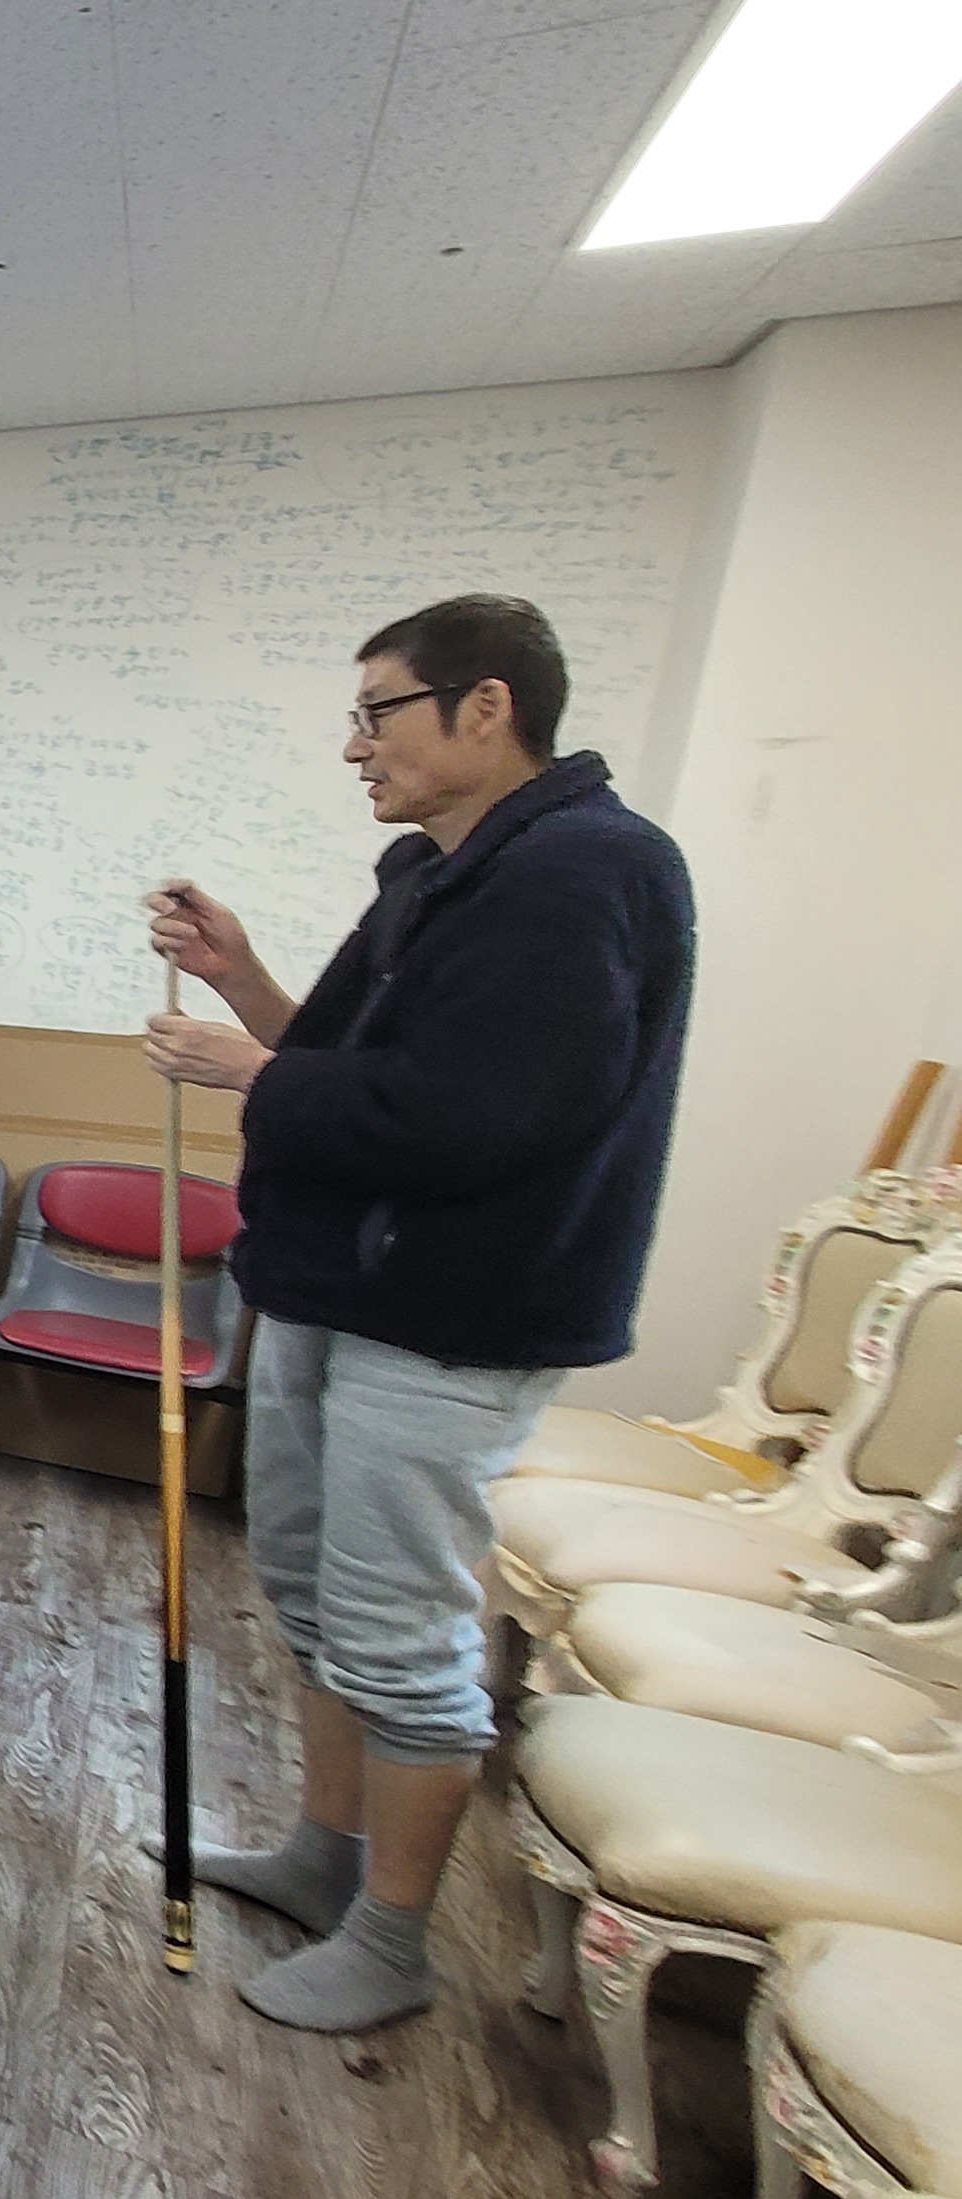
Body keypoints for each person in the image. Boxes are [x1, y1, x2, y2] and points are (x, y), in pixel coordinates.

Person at [144, 591, 692, 2033]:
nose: (355, 746)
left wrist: (249, 1074)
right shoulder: (436, 871)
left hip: (450, 1314)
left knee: (400, 1631)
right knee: (315, 1593)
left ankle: (392, 1944)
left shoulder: (587, 872)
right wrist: (242, 983)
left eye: (377, 712)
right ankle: (325, 1857)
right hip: (334, 1284)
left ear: (487, 706)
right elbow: (331, 1059)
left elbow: (475, 1120)